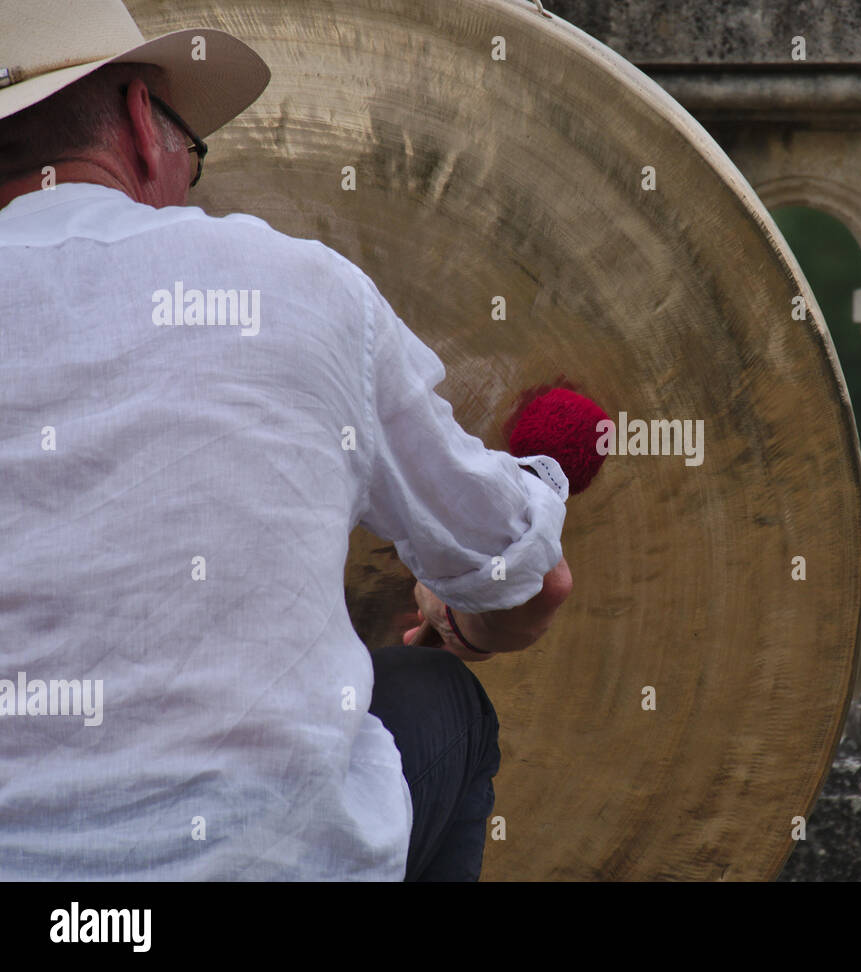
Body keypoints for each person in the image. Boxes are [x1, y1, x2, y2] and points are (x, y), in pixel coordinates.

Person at [0, 0, 572, 881]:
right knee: (432, 694)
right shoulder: (300, 289)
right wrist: (467, 619)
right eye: (196, 148)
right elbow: (525, 572)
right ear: (145, 124)